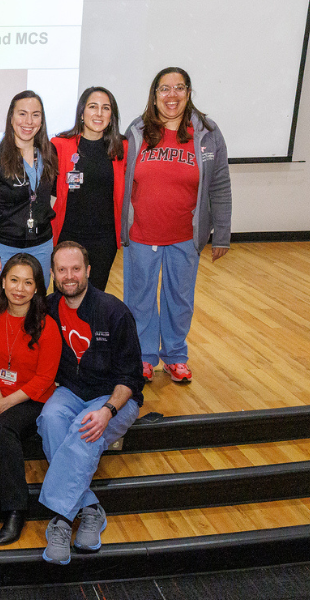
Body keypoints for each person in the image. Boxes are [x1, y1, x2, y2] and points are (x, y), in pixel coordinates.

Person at [121, 67, 232, 384]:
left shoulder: (207, 133)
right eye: (164, 89)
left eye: (179, 88)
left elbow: (220, 187)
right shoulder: (136, 131)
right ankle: (143, 357)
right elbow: (121, 181)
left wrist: (221, 234)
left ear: (189, 93)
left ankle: (174, 356)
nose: (172, 95)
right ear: (154, 95)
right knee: (139, 299)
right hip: (140, 234)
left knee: (179, 301)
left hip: (185, 237)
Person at [38, 241, 143, 565]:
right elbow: (12, 314)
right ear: (53, 274)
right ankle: (90, 508)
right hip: (71, 391)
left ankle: (61, 519)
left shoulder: (114, 311)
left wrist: (107, 411)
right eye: (62, 270)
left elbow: (131, 377)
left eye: (75, 269)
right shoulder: (47, 307)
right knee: (51, 420)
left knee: (85, 429)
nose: (69, 276)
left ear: (88, 271)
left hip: (114, 397)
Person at [0, 253, 61, 545]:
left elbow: (45, 378)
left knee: (0, 427)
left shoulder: (47, 326)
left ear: (37, 288)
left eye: (28, 282)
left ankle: (16, 509)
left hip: (32, 397)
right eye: (14, 280)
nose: (20, 288)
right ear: (2, 282)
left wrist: (6, 403)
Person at [0, 90, 57, 307]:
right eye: (22, 114)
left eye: (36, 114)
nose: (28, 121)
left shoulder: (50, 153)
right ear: (11, 118)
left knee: (36, 310)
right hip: (2, 249)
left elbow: (52, 196)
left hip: (41, 247)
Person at [51, 87, 128, 291]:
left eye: (106, 108)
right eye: (93, 107)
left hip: (104, 240)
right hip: (68, 236)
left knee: (95, 297)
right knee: (64, 295)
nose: (99, 113)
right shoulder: (59, 145)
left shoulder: (122, 148)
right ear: (82, 113)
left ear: (112, 116)